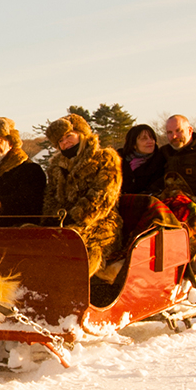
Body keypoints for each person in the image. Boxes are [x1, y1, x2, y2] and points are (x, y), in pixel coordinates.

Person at [41, 113, 123, 288]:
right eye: (60, 142)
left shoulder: (104, 158)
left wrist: (76, 216)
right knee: (34, 239)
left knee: (75, 246)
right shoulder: (57, 167)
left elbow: (104, 195)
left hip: (100, 223)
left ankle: (71, 291)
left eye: (69, 137)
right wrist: (51, 218)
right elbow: (51, 197)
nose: (65, 143)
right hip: (64, 222)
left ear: (82, 134)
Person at [117, 123, 166, 196]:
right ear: (134, 144)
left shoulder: (160, 161)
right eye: (144, 138)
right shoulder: (119, 159)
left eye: (152, 138)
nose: (150, 141)